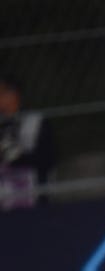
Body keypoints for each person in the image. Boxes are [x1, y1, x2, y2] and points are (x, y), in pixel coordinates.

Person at [0, 73, 55, 209]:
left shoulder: (36, 121)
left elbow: (47, 158)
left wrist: (15, 156)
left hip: (33, 194)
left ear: (13, 94)